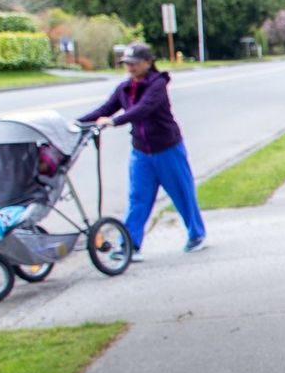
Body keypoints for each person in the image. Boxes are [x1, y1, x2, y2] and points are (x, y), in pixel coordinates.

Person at [78, 42, 207, 257]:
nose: (130, 68)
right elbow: (104, 109)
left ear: (148, 62)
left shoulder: (157, 85)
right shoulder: (125, 89)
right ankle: (130, 245)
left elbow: (144, 108)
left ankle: (196, 234)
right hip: (141, 153)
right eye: (127, 64)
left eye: (134, 63)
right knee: (138, 198)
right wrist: (76, 124)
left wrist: (114, 121)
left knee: (182, 193)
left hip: (168, 149)